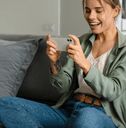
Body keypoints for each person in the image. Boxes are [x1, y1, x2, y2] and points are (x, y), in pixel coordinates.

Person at [0, 0, 125, 128]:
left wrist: (84, 64)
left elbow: (113, 91)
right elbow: (62, 89)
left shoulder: (124, 48)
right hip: (69, 109)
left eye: (98, 11)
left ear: (116, 11)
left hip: (102, 115)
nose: (91, 16)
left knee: (86, 116)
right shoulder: (81, 42)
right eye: (87, 10)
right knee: (4, 103)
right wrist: (54, 62)